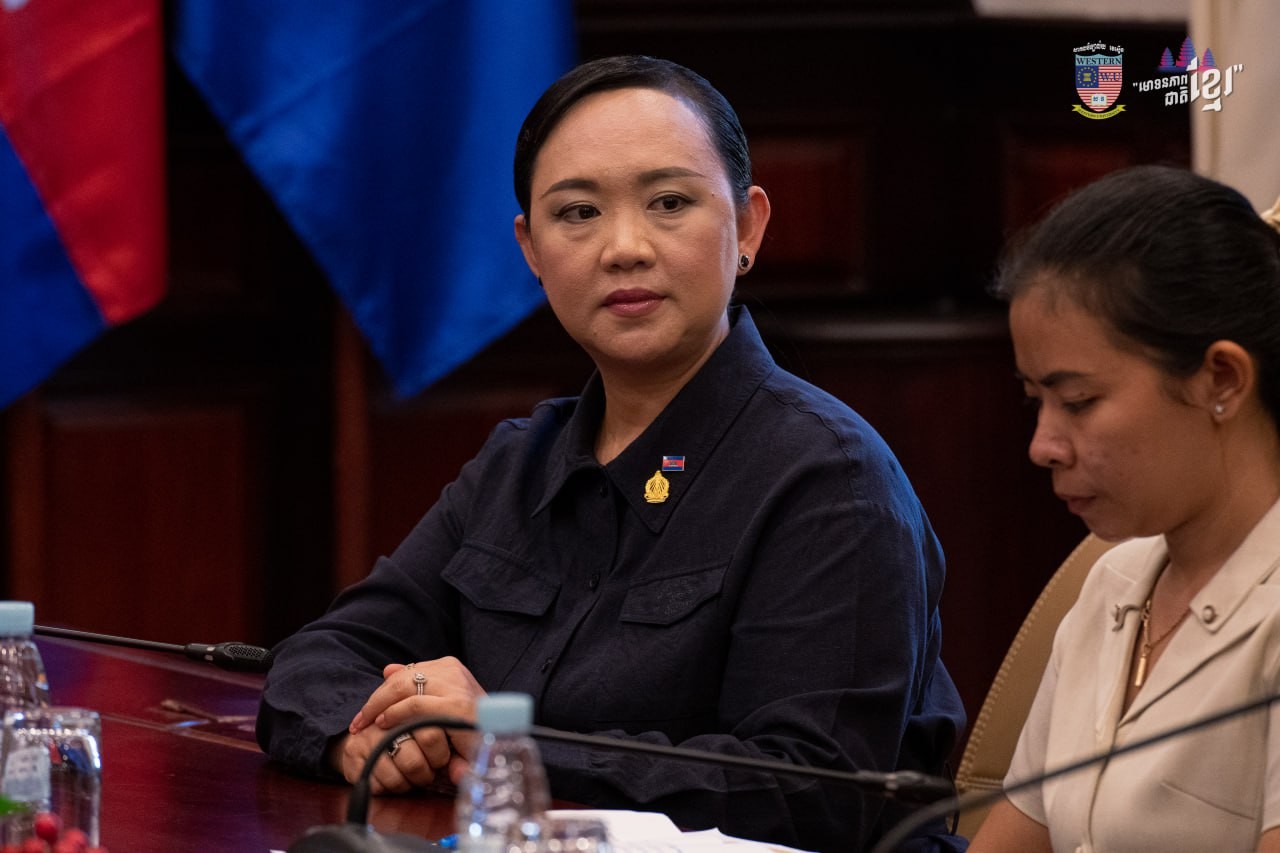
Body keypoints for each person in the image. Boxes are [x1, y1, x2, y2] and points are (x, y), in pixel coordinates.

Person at [257, 55, 966, 852]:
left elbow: (811, 792)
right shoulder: (517, 464)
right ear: (530, 249)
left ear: (748, 227)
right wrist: (364, 737)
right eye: (578, 213)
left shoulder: (831, 479)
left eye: (669, 203)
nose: (624, 247)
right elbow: (318, 658)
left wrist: (506, 745)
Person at [969, 166, 1280, 852]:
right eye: (1036, 401)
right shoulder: (1111, 583)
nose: (1043, 446)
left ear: (1221, 379)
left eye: (1078, 401)